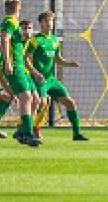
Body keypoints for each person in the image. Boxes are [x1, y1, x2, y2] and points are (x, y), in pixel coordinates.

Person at [25, 11, 88, 141]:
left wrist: (69, 63)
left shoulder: (55, 40)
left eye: (51, 21)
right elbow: (26, 59)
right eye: (46, 21)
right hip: (39, 79)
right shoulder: (36, 40)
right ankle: (29, 127)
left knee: (70, 102)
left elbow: (57, 59)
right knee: (41, 103)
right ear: (41, 23)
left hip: (50, 79)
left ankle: (77, 133)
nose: (49, 24)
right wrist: (35, 73)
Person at [0, 0, 40, 147]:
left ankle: (23, 131)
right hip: (15, 66)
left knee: (30, 98)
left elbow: (10, 41)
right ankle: (26, 132)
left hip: (19, 66)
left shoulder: (11, 22)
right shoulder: (11, 21)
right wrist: (8, 62)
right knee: (26, 96)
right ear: (18, 7)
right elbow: (4, 39)